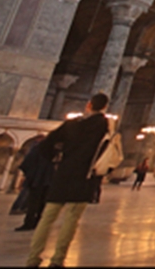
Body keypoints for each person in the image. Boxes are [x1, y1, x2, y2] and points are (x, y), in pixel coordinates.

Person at [25, 92, 110, 268]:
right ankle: (57, 259)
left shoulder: (72, 124)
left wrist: (57, 158)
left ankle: (33, 258)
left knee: (47, 218)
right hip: (84, 176)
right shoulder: (103, 125)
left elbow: (45, 146)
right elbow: (107, 150)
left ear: (88, 105)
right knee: (71, 219)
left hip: (63, 174)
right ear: (105, 107)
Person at [16, 135, 53, 232]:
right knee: (42, 202)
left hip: (36, 179)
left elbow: (27, 163)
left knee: (33, 202)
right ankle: (38, 221)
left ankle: (29, 222)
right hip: (48, 180)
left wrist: (28, 174)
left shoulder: (37, 149)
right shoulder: (52, 151)